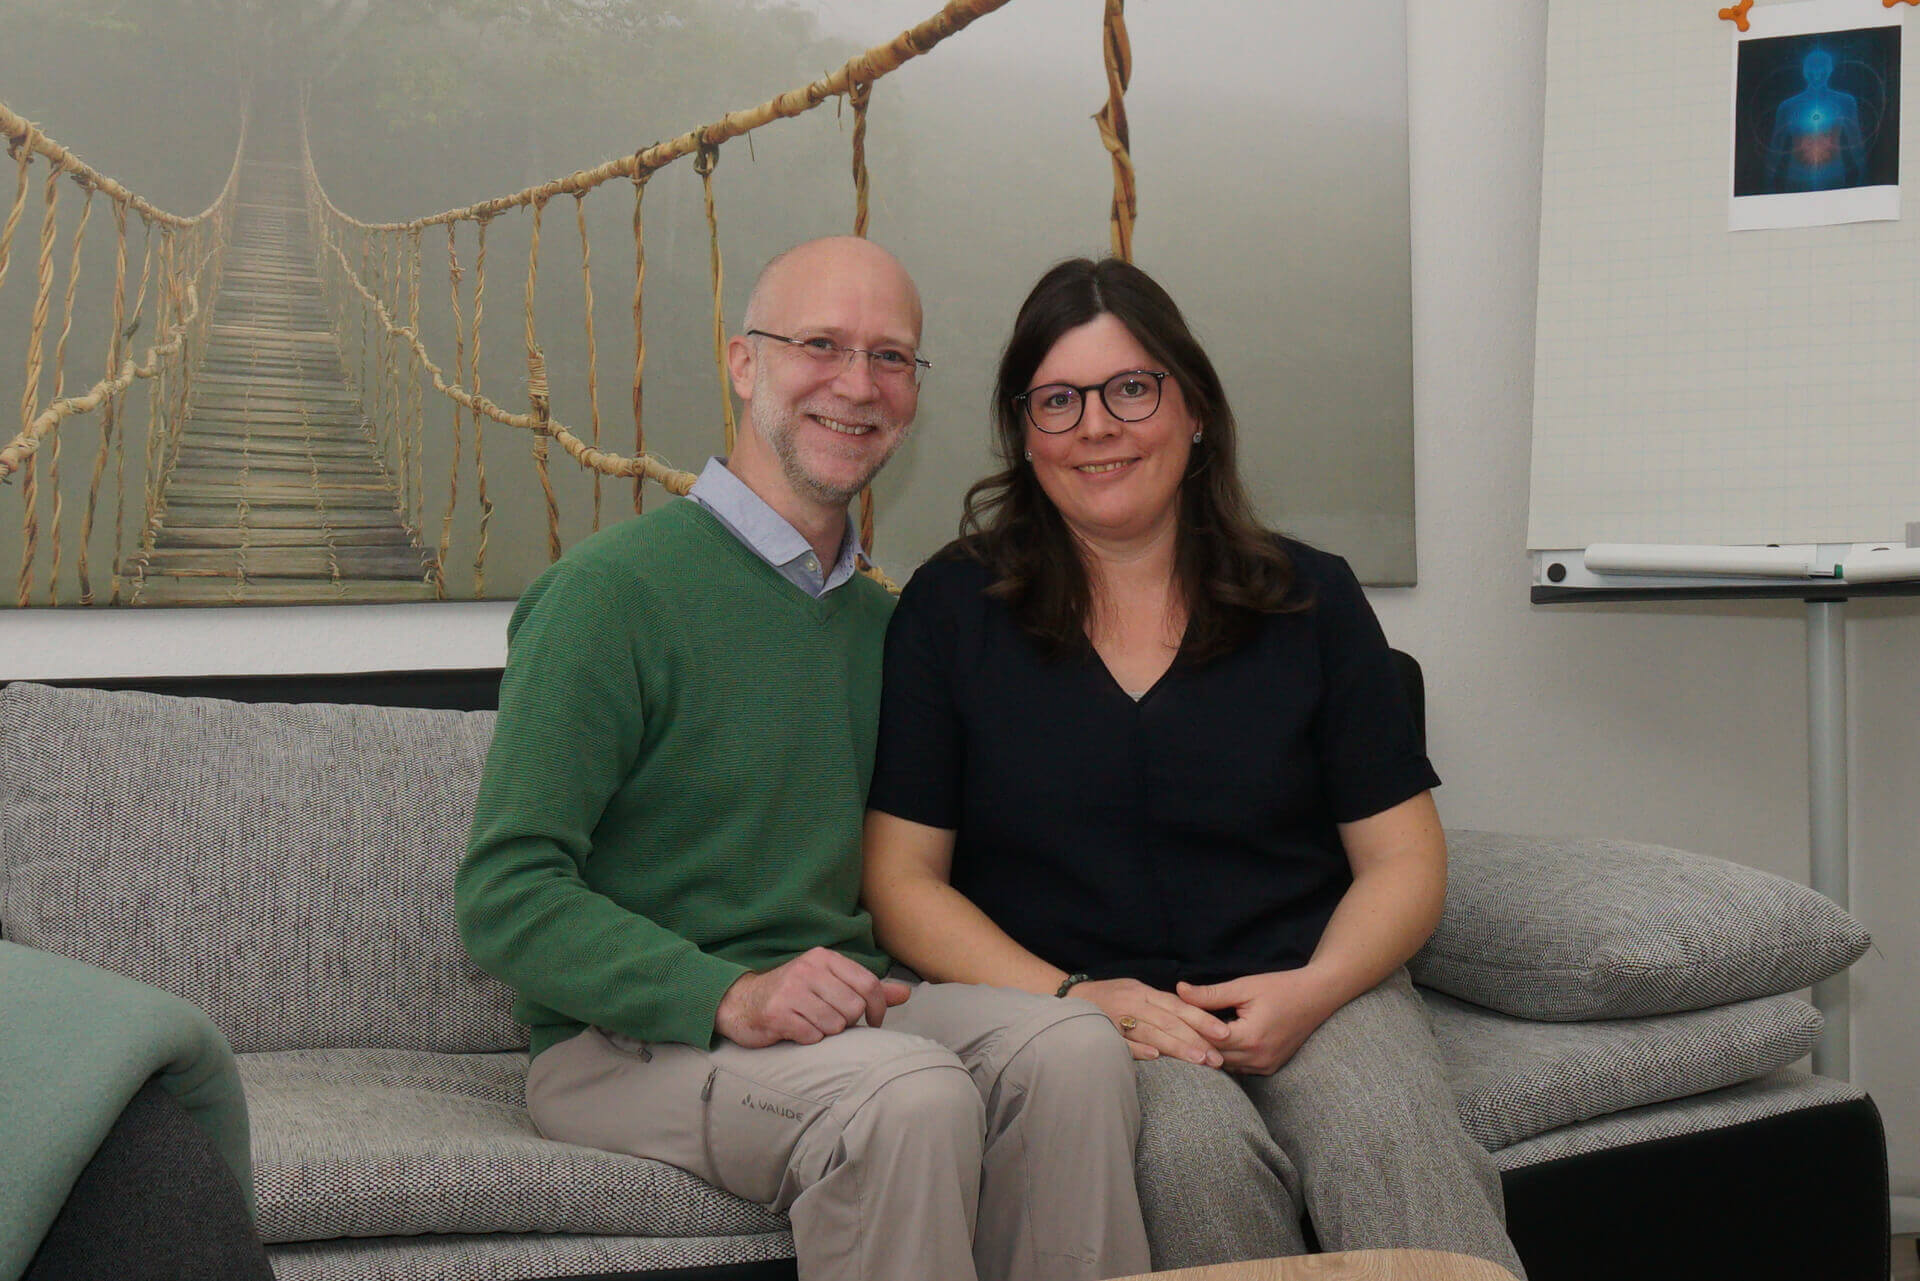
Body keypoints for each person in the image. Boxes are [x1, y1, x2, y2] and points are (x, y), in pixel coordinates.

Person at [455, 237, 1150, 1281]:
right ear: (744, 364)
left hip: (850, 1018)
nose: (858, 385)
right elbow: (504, 894)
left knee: (1076, 1049)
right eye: (821, 344)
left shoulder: (887, 626)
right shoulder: (607, 595)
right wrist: (732, 994)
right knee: (907, 1100)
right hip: (624, 1045)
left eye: (890, 357)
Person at [861, 256, 1526, 1277]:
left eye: (1132, 388)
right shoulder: (950, 613)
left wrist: (1314, 989)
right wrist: (1073, 998)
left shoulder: (1311, 598)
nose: (1096, 426)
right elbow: (902, 881)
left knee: (1391, 1138)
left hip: (1315, 981)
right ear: (1024, 434)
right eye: (1058, 400)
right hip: (1090, 1010)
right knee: (1191, 1159)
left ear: (1196, 408)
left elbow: (1404, 859)